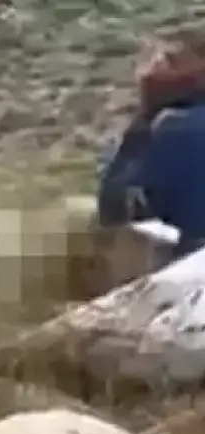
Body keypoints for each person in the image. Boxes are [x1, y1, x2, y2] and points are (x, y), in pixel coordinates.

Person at [98, 26, 205, 263]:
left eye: (168, 62)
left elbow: (115, 211)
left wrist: (145, 115)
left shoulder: (177, 128)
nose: (149, 72)